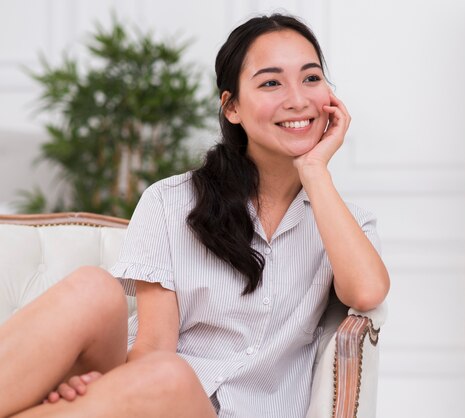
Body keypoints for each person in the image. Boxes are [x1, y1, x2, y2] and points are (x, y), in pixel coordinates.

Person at [0, 13, 390, 418]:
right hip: (161, 395)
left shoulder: (342, 224)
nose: (297, 98)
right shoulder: (170, 202)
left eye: (311, 78)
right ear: (232, 107)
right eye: (271, 82)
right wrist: (107, 389)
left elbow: (367, 293)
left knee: (167, 377)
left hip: (206, 400)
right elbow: (153, 348)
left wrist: (314, 171)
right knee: (92, 289)